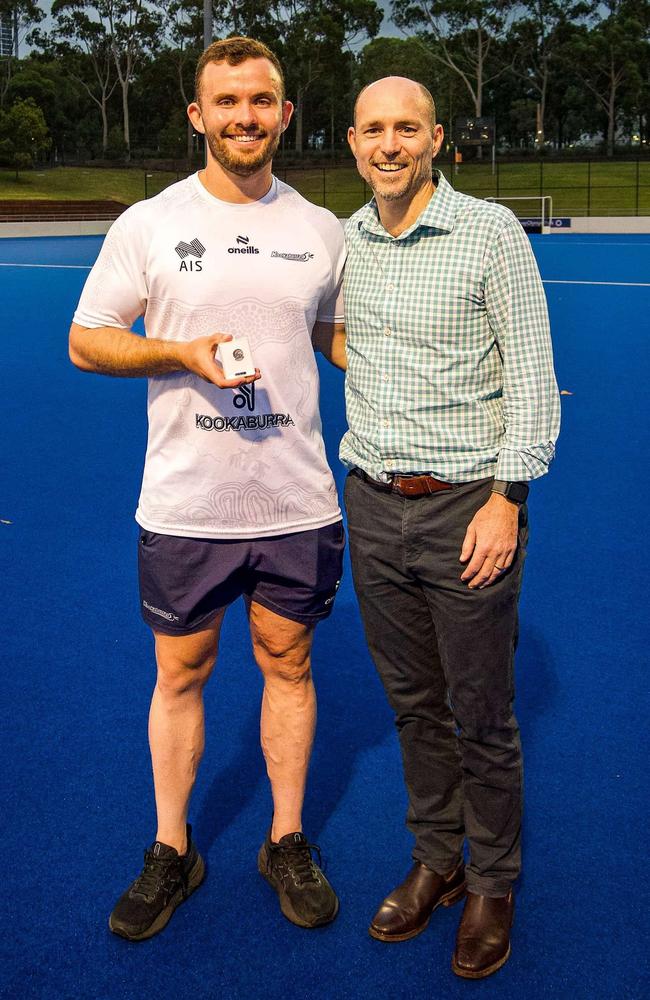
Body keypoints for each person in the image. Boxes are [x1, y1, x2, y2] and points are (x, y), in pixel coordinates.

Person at [69, 36, 347, 941]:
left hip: (296, 501)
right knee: (180, 670)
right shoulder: (149, 224)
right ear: (198, 115)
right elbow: (88, 339)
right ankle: (171, 848)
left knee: (289, 664)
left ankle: (287, 838)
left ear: (285, 113)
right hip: (187, 503)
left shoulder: (321, 230)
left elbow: (341, 343)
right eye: (226, 103)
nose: (244, 117)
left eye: (260, 101)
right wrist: (177, 351)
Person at [340, 77, 560, 978]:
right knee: (413, 707)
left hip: (469, 510)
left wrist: (508, 500)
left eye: (407, 129)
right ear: (352, 141)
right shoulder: (345, 239)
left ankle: (493, 883)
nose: (389, 145)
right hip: (371, 502)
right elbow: (333, 334)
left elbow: (536, 380)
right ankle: (437, 860)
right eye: (373, 131)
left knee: (481, 713)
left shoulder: (490, 233)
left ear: (435, 139)